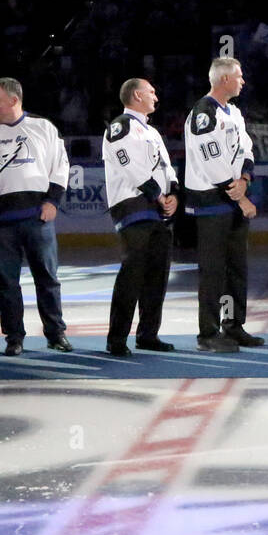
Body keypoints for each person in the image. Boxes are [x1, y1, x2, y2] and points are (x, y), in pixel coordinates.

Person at [0, 77, 72, 357]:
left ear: (13, 100)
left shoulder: (43, 127)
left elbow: (61, 166)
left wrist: (53, 201)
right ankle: (14, 337)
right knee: (7, 282)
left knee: (47, 278)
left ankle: (56, 333)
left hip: (37, 216)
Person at [184, 56, 261, 353]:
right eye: (239, 76)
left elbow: (246, 148)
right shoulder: (204, 113)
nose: (243, 81)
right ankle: (208, 332)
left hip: (232, 198)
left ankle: (233, 325)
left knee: (235, 267)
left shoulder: (235, 113)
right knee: (213, 269)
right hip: (211, 201)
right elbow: (211, 160)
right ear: (224, 79)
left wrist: (245, 177)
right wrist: (240, 195)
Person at [103, 77, 180, 356]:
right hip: (132, 204)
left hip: (157, 207)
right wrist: (157, 194)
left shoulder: (152, 132)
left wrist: (173, 194)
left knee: (158, 273)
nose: (155, 97)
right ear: (137, 95)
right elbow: (129, 164)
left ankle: (148, 334)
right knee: (133, 271)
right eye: (151, 92)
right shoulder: (120, 127)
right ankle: (117, 338)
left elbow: (166, 167)